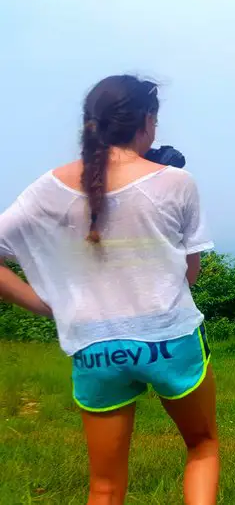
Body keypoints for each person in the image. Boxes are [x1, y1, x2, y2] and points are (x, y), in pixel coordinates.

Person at [0, 75, 218, 505]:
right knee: (201, 448)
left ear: (91, 124)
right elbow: (189, 275)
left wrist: (52, 306)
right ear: (147, 121)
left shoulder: (49, 188)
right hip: (169, 341)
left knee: (103, 485)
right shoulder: (176, 182)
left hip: (95, 346)